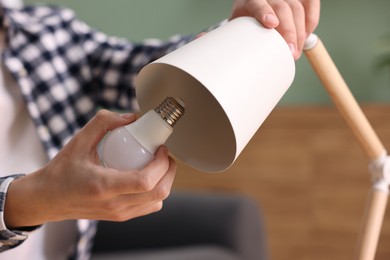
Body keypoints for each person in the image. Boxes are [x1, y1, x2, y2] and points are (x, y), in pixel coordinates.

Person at [0, 0, 320, 259]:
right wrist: (32, 199)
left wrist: (235, 36)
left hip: (71, 243)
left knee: (233, 228)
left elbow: (136, 71)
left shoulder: (39, 31)